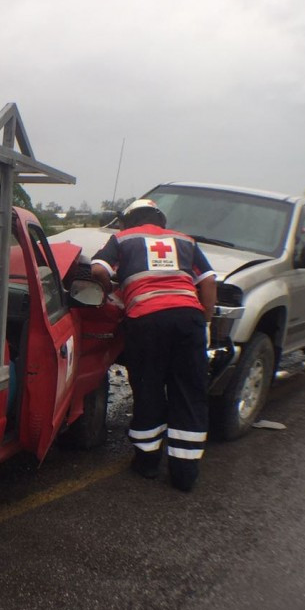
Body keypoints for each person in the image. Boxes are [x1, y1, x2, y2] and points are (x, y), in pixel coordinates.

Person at [90, 199, 216, 492]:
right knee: (189, 392)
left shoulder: (123, 238)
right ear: (160, 220)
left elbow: (97, 270)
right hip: (189, 321)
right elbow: (209, 281)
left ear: (129, 220)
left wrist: (112, 290)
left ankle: (147, 463)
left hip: (146, 322)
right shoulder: (185, 240)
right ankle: (185, 474)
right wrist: (205, 319)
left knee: (148, 388)